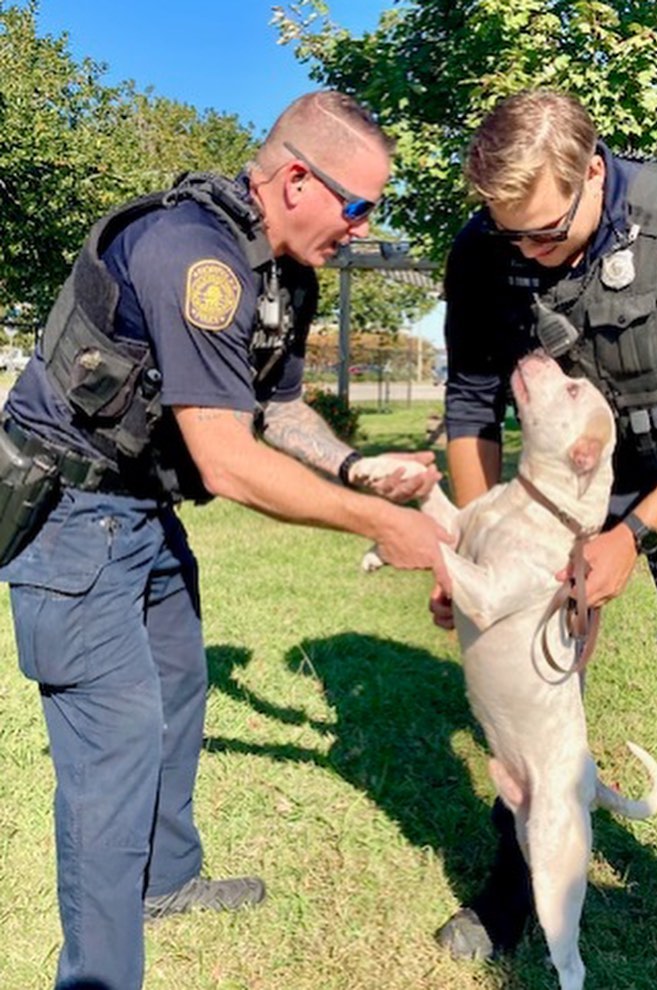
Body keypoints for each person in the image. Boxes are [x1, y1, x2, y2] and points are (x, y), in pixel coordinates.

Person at [0, 90, 451, 990]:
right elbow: (227, 461)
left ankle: (163, 884)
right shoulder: (190, 254)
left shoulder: (285, 275)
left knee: (177, 689)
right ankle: (98, 978)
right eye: (358, 207)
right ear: (294, 179)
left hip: (141, 511)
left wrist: (355, 467)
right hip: (69, 516)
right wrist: (385, 523)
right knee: (113, 749)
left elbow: (276, 408)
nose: (365, 230)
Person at [430, 89, 657, 990]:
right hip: (565, 487)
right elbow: (471, 408)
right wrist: (477, 541)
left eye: (545, 233)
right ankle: (518, 877)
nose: (527, 255)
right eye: (511, 238)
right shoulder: (487, 246)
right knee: (536, 678)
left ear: (593, 172)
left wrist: (634, 533)